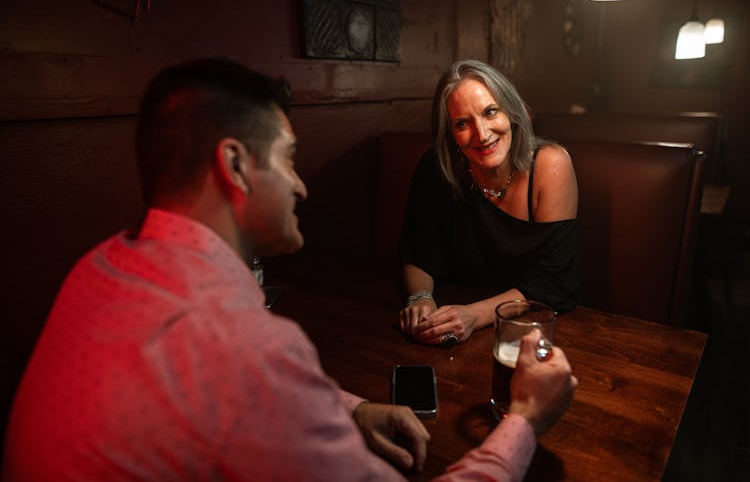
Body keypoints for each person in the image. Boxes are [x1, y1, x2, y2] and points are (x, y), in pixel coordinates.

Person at [4, 58, 577, 481]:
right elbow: (255, 369)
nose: (302, 184)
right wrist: (526, 417)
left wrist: (352, 407)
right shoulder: (254, 347)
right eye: (288, 158)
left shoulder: (100, 265)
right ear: (234, 163)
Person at [399, 59, 580, 346]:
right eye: (462, 123)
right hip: (455, 327)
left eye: (490, 112)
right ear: (450, 135)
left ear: (512, 111)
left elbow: (553, 282)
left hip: (538, 330)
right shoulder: (435, 168)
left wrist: (473, 315)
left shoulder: (550, 164)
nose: (482, 134)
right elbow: (418, 251)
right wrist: (422, 299)